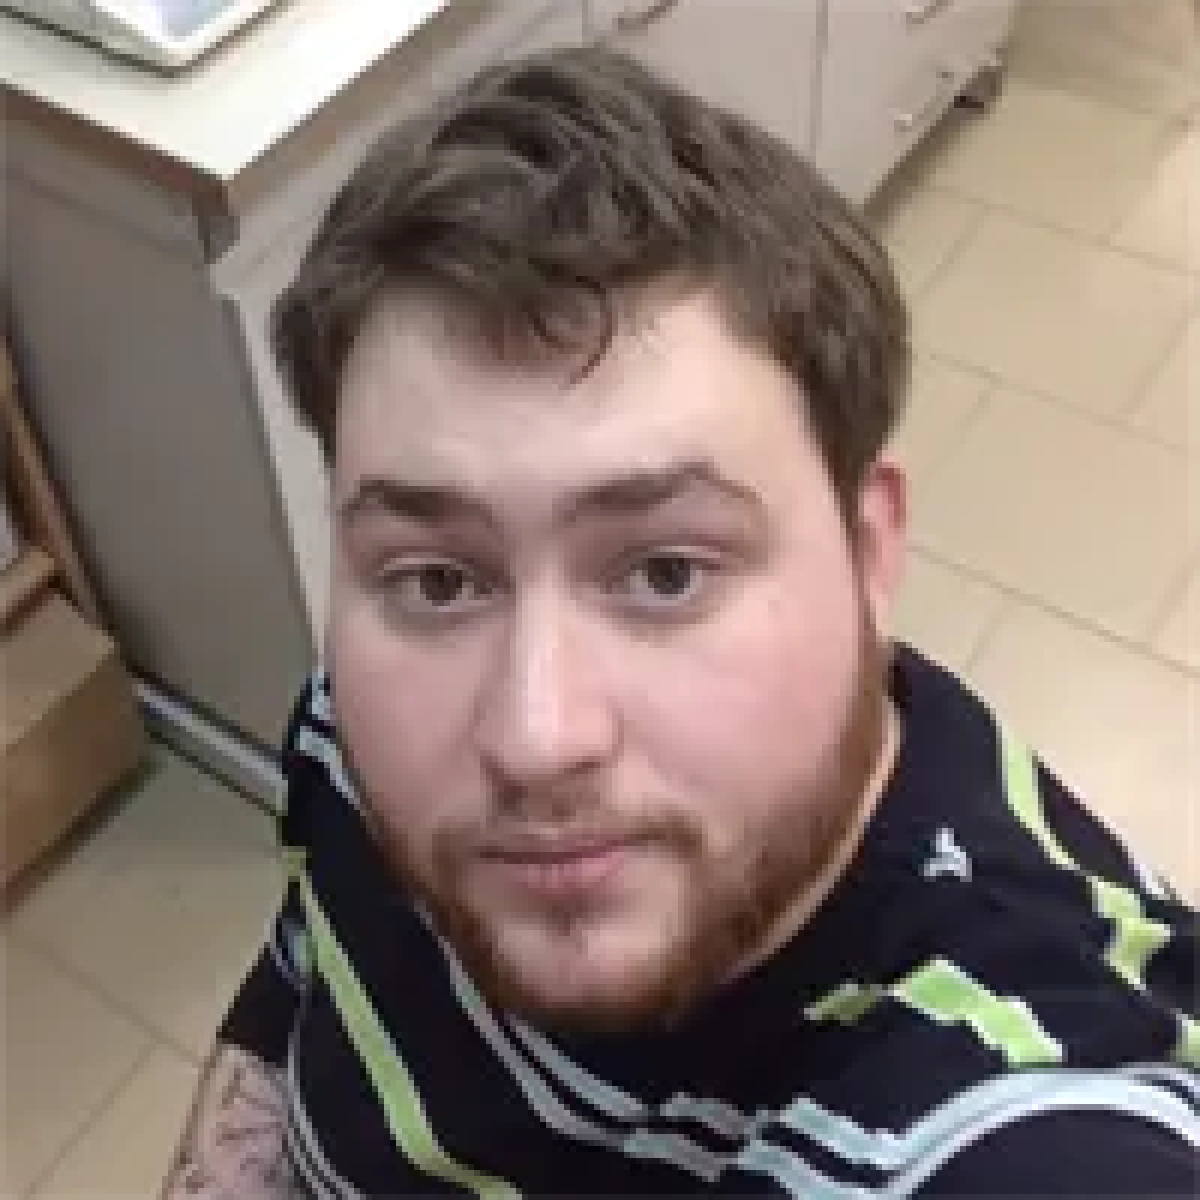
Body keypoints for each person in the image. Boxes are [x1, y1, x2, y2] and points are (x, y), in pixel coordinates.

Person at [161, 45, 1199, 1199]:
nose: (533, 737)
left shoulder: (1020, 1100)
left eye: (664, 572)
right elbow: (308, 977)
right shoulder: (369, 711)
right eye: (442, 580)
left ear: (868, 552)